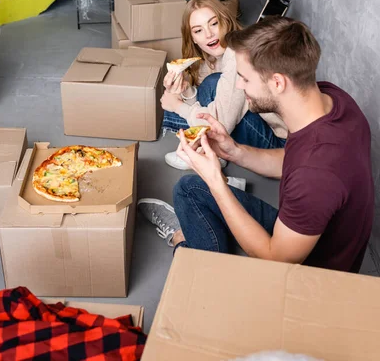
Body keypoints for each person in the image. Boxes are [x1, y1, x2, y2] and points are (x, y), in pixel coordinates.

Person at [138, 16, 374, 272]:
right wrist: (234, 151)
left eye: (245, 78)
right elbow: (291, 160)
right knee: (189, 188)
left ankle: (187, 248)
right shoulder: (332, 100)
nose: (239, 85)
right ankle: (198, 246)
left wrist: (216, 180)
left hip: (310, 274)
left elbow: (275, 257)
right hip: (306, 232)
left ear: (277, 82)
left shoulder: (314, 176)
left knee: (207, 192)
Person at [161, 0, 287, 169]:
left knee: (205, 92)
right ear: (193, 39)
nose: (209, 34)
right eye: (198, 31)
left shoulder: (237, 54)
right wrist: (187, 90)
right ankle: (208, 151)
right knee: (208, 86)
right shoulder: (209, 62)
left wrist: (177, 106)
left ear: (226, 21)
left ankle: (208, 153)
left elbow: (218, 124)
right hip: (255, 125)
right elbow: (207, 106)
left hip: (279, 143)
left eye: (214, 23)